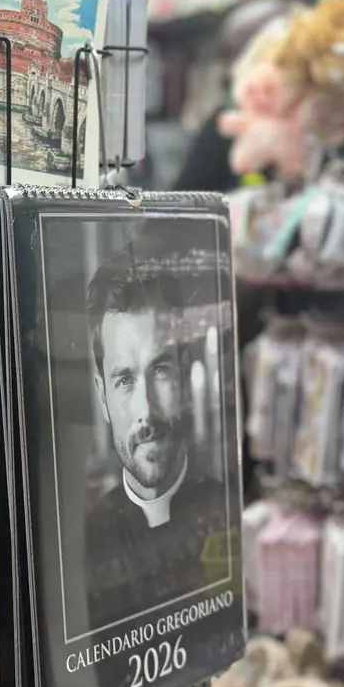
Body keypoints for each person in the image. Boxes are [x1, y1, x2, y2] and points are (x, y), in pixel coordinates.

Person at [79, 242, 231, 633]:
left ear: (183, 371)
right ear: (103, 396)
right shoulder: (82, 548)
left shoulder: (228, 512)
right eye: (125, 380)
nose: (146, 410)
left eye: (159, 369)